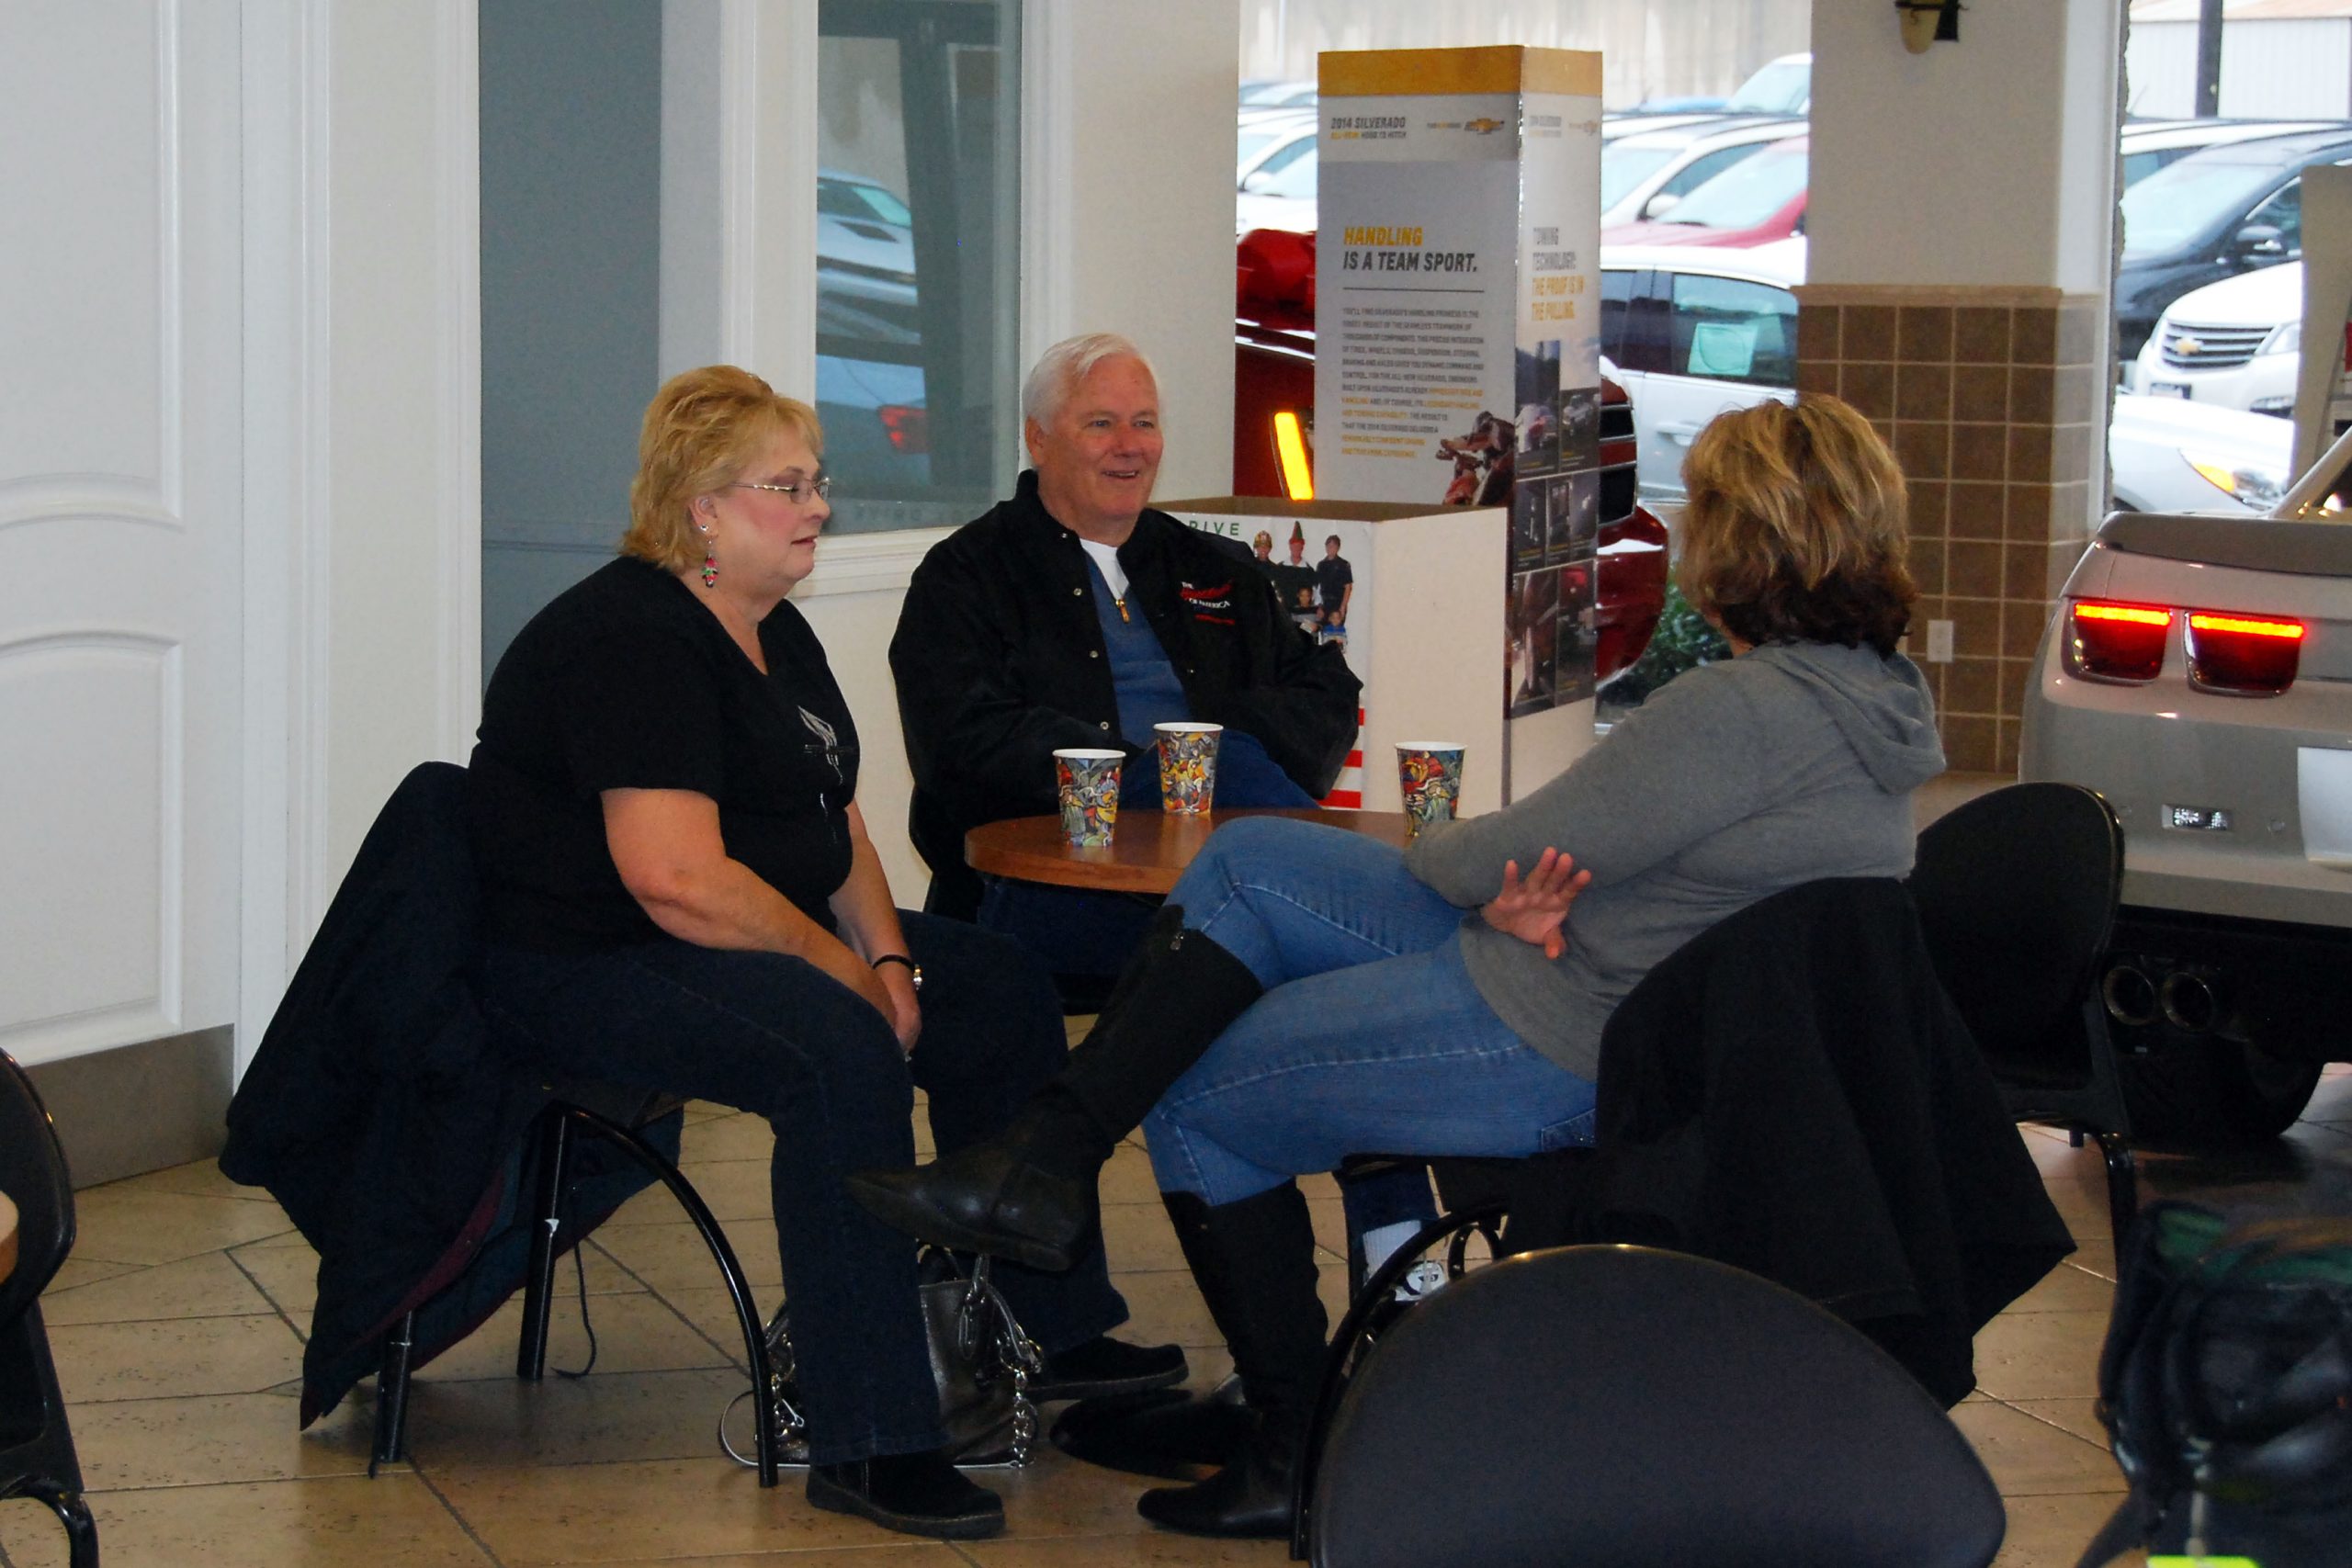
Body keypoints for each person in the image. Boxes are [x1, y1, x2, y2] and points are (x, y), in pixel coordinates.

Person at [849, 393, 1946, 1537]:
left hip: (1567, 1026)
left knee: (1202, 1091)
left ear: (1743, 538)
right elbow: (1677, 861)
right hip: (1615, 977)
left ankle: (1289, 1438)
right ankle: (1049, 1157)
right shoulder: (1874, 698)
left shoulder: (1737, 711)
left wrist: (1506, 872)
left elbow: (1493, 855)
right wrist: (1533, 879)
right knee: (1248, 859)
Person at [466, 367, 1184, 1542]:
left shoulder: (771, 628)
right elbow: (675, 878)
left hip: (709, 935)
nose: (816, 510)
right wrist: (847, 981)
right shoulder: (626, 636)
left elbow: (832, 815)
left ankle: (1052, 1333)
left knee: (994, 987)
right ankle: (870, 1433)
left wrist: (894, 960)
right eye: (785, 488)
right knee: (836, 1053)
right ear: (702, 506)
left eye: (816, 484)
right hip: (583, 959)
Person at [888, 333, 1360, 942]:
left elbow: (1324, 688)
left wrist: (1210, 762)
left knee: (1254, 897)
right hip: (1058, 878)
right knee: (1294, 916)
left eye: (1144, 422)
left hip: (1220, 861)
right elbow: (961, 742)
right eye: (1100, 423)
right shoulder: (967, 574)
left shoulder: (1216, 565)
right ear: (1039, 438)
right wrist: (1150, 776)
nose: (1129, 447)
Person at [1314, 533, 1352, 648]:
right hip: (1325, 603)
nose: (1331, 548)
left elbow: (1348, 587)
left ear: (1338, 548)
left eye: (1334, 546)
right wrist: (1319, 606)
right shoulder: (1321, 565)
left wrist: (1343, 606)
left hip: (1338, 603)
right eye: (1329, 546)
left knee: (1337, 636)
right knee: (1324, 633)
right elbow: (1318, 588)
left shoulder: (1343, 565)